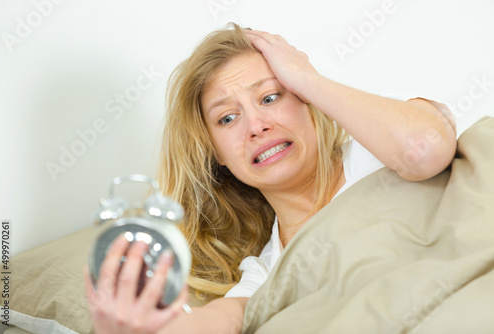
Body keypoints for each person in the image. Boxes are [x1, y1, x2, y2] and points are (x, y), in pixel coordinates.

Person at [84, 23, 457, 333]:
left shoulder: (377, 148)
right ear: (218, 155)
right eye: (227, 118)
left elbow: (423, 149)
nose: (257, 126)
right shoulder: (267, 272)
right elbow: (221, 321)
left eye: (270, 97)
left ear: (307, 99)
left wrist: (307, 77)